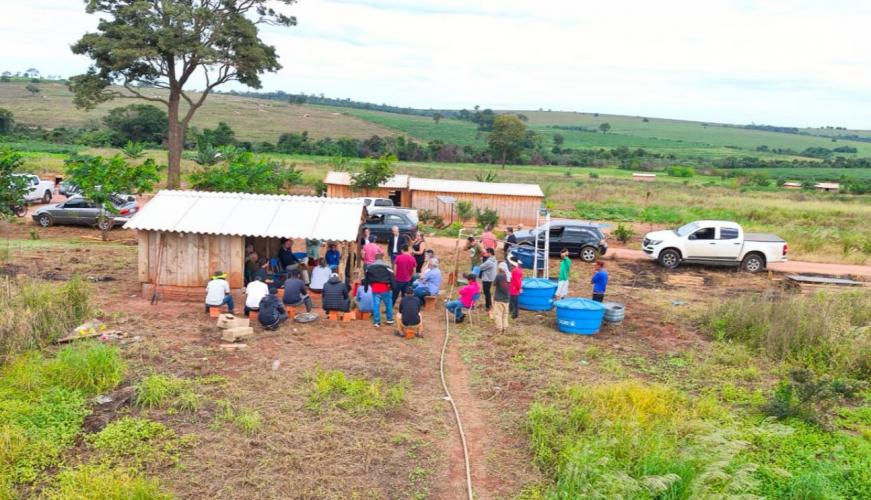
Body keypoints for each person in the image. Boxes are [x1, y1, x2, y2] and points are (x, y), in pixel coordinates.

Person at [363, 252, 395, 327]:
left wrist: (366, 287)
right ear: (382, 258)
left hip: (375, 288)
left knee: (376, 305)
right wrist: (393, 287)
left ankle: (377, 322)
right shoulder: (388, 267)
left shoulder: (369, 267)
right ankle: (389, 319)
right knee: (388, 304)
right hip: (385, 288)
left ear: (375, 258)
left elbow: (366, 278)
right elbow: (392, 278)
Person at [493, 262, 510, 333]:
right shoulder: (509, 275)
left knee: (498, 314)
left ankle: (499, 328)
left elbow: (494, 284)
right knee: (505, 314)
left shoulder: (499, 275)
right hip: (507, 298)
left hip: (499, 298)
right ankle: (505, 327)